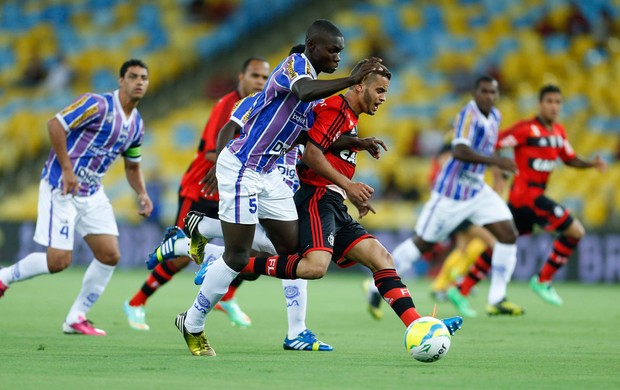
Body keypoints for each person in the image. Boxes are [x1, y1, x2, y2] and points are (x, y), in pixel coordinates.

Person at [174, 19, 386, 356]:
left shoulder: (316, 89)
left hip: (270, 175)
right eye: (332, 50)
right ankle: (193, 322)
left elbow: (312, 137)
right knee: (239, 255)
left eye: (340, 52)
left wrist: (357, 142)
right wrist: (353, 79)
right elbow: (302, 91)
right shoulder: (294, 66)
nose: (336, 56)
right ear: (312, 46)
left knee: (291, 251)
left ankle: (210, 245)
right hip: (243, 167)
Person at [226, 62, 462, 342]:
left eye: (385, 91)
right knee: (314, 267)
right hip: (316, 197)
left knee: (381, 258)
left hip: (333, 201)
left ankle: (418, 324)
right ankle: (235, 264)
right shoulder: (336, 109)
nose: (383, 97)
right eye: (380, 90)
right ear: (360, 86)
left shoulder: (348, 116)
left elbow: (322, 143)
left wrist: (355, 145)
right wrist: (348, 185)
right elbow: (311, 155)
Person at [0, 59, 153, 336]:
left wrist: (141, 193)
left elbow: (132, 166)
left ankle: (76, 317)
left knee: (109, 255)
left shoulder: (137, 126)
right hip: (62, 186)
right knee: (58, 261)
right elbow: (55, 125)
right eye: (133, 76)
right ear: (121, 80)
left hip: (92, 193)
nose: (139, 82)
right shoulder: (97, 104)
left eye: (144, 77)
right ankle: (3, 278)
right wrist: (68, 170)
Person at [123, 56, 272, 331]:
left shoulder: (262, 107)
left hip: (232, 190)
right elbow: (210, 150)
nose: (259, 82)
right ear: (241, 77)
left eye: (264, 78)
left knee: (251, 249)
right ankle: (136, 302)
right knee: (183, 254)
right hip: (202, 187)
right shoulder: (228, 105)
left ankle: (226, 297)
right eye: (254, 76)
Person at [458, 85, 607, 307]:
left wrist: (591, 163)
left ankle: (462, 289)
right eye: (549, 101)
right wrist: (498, 173)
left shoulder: (558, 132)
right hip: (528, 196)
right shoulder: (526, 129)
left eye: (558, 102)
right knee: (575, 231)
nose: (554, 106)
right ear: (540, 104)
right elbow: (493, 144)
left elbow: (570, 158)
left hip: (527, 200)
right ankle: (543, 280)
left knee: (502, 244)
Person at [389, 76, 524, 319]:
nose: (489, 96)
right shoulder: (467, 116)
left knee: (507, 234)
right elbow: (460, 150)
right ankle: (381, 277)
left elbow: (491, 146)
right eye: (484, 91)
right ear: (474, 92)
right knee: (424, 243)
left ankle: (496, 299)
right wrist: (495, 161)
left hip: (477, 190)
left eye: (493, 92)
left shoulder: (495, 116)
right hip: (451, 194)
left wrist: (499, 170)